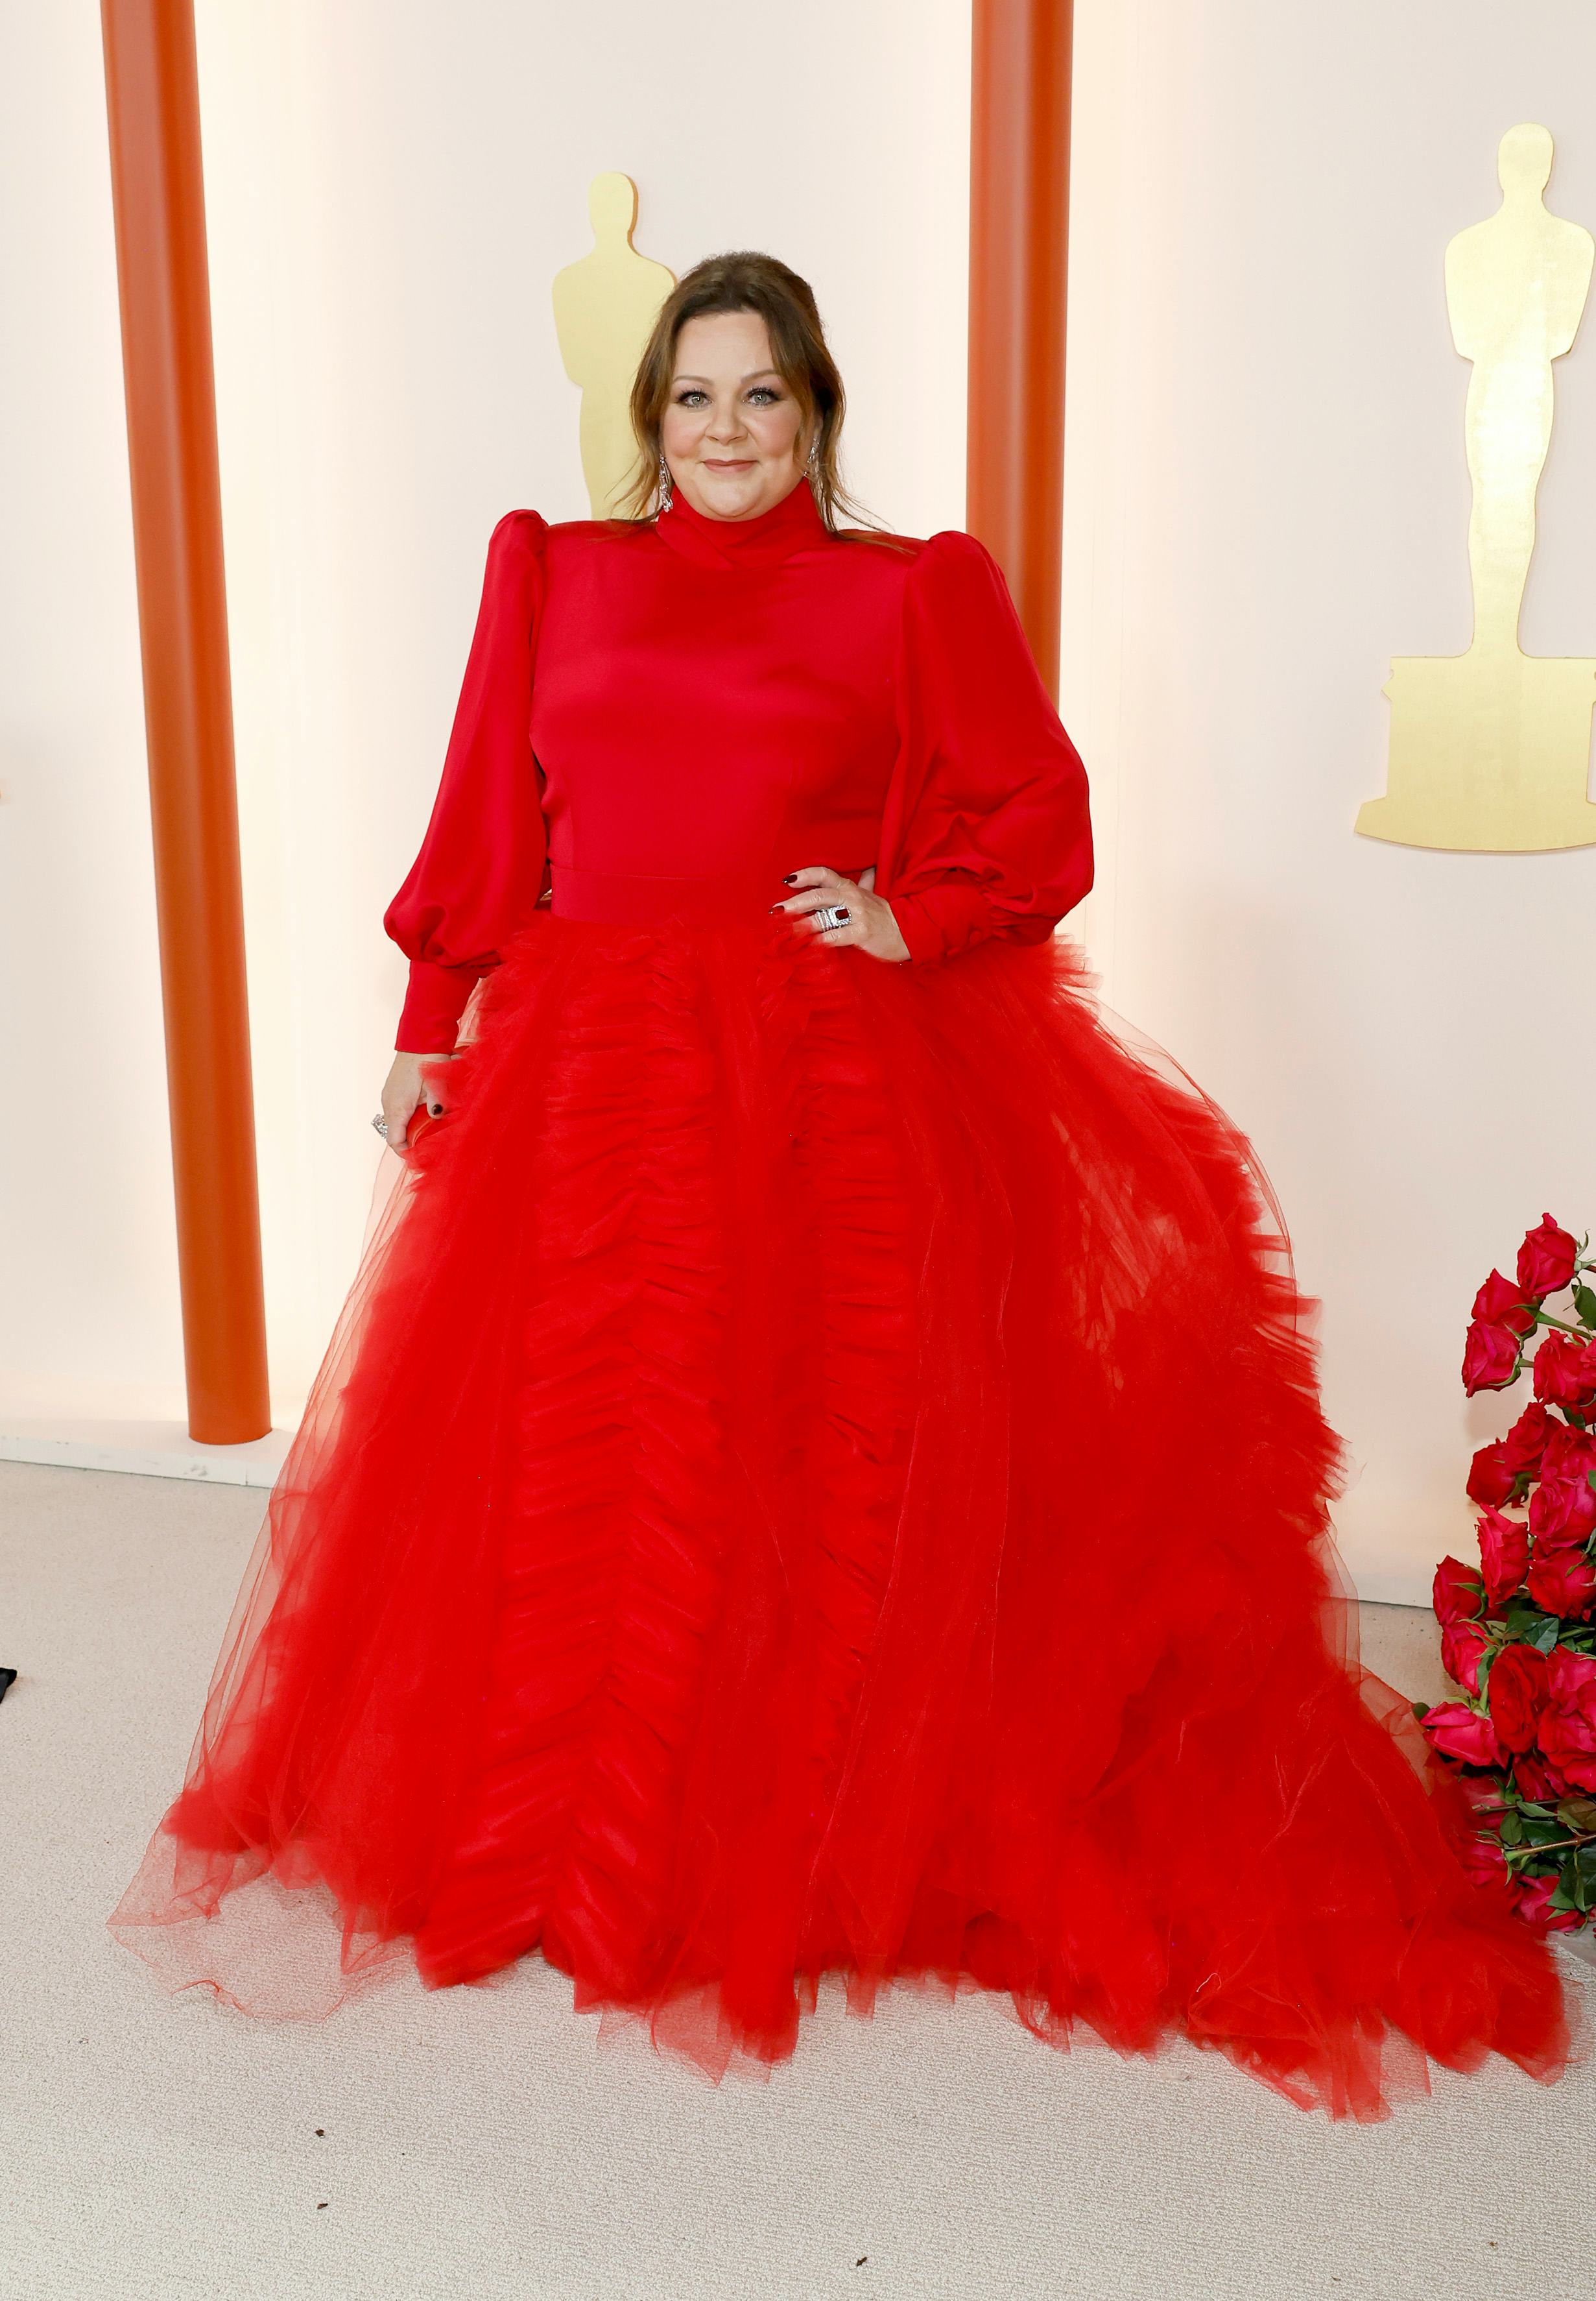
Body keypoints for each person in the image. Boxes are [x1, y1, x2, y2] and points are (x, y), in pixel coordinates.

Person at [112, 252, 1572, 2119]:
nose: (725, 430)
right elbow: (490, 807)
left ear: (815, 411)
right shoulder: (553, 570)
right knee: (585, 1445)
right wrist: (430, 1009)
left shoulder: (909, 593)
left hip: (810, 1069)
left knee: (786, 1452)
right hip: (588, 1058)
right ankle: (566, 1831)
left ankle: (768, 1843)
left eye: (762, 397)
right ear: (652, 414)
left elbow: (1039, 814)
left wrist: (914, 910)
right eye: (695, 396)